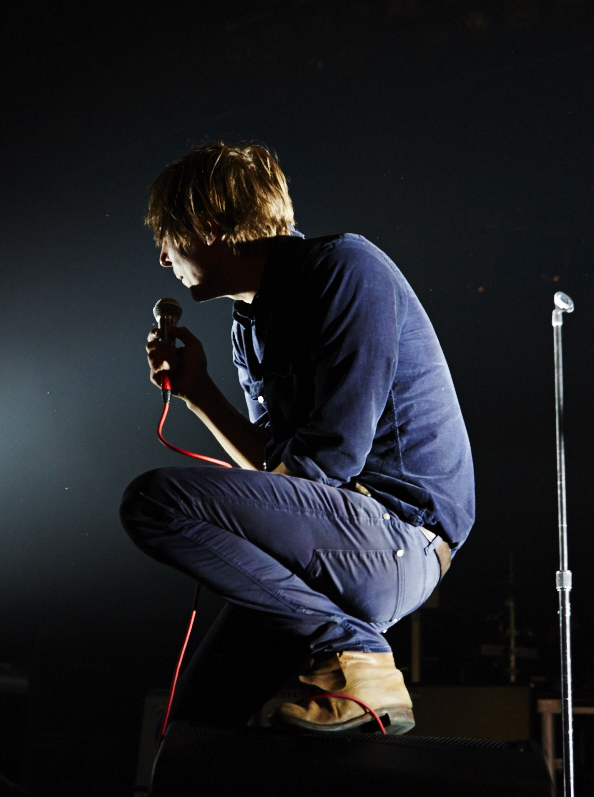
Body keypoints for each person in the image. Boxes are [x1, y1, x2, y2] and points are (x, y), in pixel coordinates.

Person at [119, 143, 474, 734]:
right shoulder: (248, 327)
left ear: (209, 228)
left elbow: (327, 460)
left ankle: (357, 655)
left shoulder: (345, 269)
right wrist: (200, 392)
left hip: (396, 542)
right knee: (193, 730)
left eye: (170, 236)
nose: (162, 258)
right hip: (330, 539)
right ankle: (353, 660)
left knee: (155, 502)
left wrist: (247, 519)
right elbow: (283, 470)